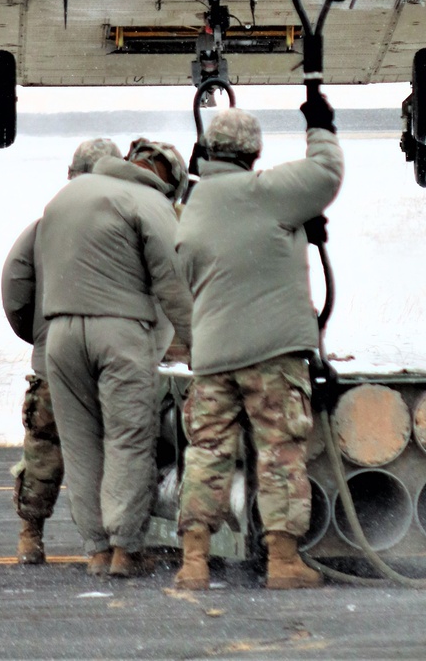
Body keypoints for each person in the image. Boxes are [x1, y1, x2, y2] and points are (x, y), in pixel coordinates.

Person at [173, 96, 344, 591]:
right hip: (270, 353)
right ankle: (284, 562)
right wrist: (320, 125)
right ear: (252, 154)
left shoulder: (194, 204)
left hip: (212, 358)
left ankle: (195, 561)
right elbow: (326, 173)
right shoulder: (265, 192)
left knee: (206, 452)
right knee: (279, 453)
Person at [42, 137, 192, 578]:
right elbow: (172, 285)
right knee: (128, 439)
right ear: (170, 181)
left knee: (80, 445)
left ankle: (95, 550)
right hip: (120, 331)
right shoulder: (148, 202)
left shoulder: (66, 197)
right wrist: (201, 348)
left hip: (61, 335)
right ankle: (125, 549)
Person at [1, 137, 123, 565]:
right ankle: (116, 541)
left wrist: (38, 335)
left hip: (53, 355)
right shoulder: (127, 221)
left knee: (43, 449)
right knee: (115, 448)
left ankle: (30, 535)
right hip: (112, 356)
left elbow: (15, 289)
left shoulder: (44, 226)